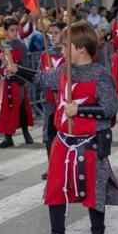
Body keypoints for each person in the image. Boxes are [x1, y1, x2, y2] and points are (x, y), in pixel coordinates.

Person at [9, 21, 118, 234]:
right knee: (55, 189)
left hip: (90, 142)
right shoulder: (65, 70)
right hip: (64, 141)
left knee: (94, 190)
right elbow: (43, 78)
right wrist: (17, 70)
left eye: (66, 47)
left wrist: (81, 111)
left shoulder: (101, 75)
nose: (62, 51)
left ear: (81, 48)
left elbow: (110, 107)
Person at [0, 17, 35, 148]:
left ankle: (26, 133)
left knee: (21, 107)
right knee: (5, 110)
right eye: (12, 30)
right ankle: (7, 137)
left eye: (16, 30)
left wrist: (22, 79)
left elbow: (26, 66)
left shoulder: (21, 46)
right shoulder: (0, 46)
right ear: (6, 31)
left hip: (17, 82)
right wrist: (0, 60)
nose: (15, 33)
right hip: (5, 84)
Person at [38, 21, 66, 180]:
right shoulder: (45, 55)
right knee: (49, 134)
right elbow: (39, 76)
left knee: (65, 132)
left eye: (56, 33)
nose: (52, 36)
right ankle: (52, 166)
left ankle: (67, 164)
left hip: (65, 99)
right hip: (49, 100)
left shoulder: (69, 53)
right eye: (51, 33)